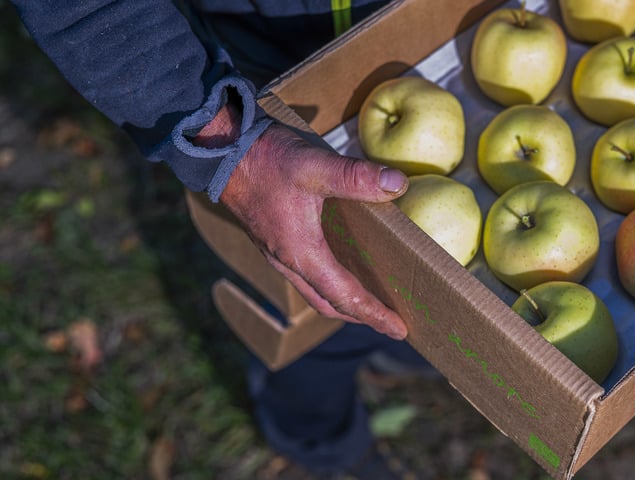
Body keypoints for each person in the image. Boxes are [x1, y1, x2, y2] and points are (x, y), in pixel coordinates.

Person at [10, 1, 433, 477]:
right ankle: (318, 440)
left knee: (390, 297)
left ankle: (390, 351)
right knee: (305, 308)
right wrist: (232, 150)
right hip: (256, 77)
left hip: (434, 49)